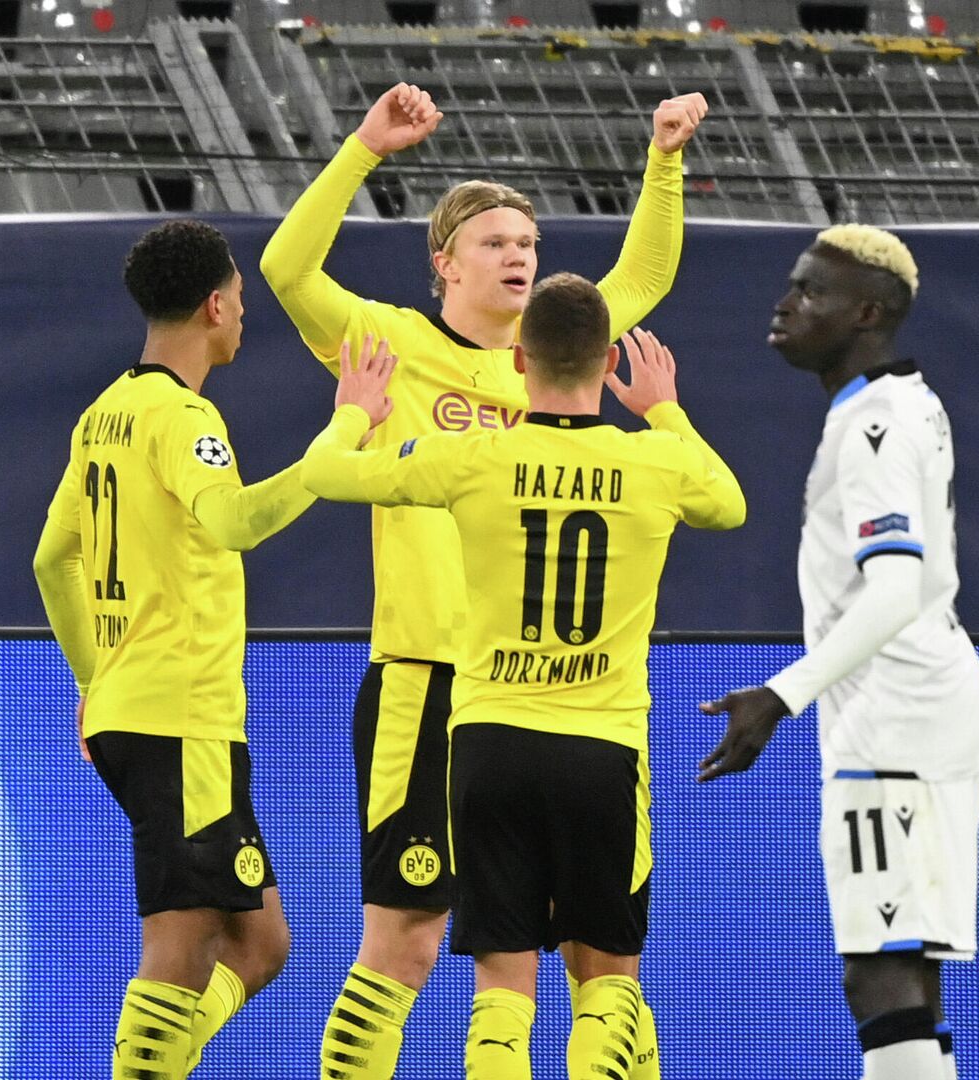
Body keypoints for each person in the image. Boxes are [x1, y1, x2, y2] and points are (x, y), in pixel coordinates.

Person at [260, 82, 706, 1079]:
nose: (520, 256)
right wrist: (365, 149)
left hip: (555, 701)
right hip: (430, 681)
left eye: (531, 243)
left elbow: (645, 273)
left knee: (604, 957)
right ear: (443, 264)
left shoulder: (557, 353)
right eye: (498, 241)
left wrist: (664, 160)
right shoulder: (392, 345)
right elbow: (286, 269)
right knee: (407, 945)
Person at [300, 275, 744, 1080]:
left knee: (502, 984)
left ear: (520, 360)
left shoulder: (474, 458)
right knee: (608, 979)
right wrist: (664, 408)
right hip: (601, 748)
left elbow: (328, 474)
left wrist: (355, 414)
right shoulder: (657, 464)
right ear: (608, 358)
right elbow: (732, 503)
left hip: (489, 744)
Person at [699, 225, 979, 1080]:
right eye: (790, 284)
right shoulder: (901, 402)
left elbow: (895, 590)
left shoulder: (875, 425)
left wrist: (779, 697)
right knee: (905, 971)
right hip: (911, 713)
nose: (786, 303)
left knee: (879, 971)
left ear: (867, 312)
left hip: (897, 722)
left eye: (810, 292)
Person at [31, 220, 317, 1079]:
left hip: (137, 708)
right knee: (184, 939)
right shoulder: (184, 417)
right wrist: (336, 448)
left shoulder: (102, 414)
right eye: (240, 299)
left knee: (261, 942)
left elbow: (53, 560)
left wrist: (94, 680)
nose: (243, 316)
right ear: (214, 304)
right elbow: (235, 521)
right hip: (180, 715)